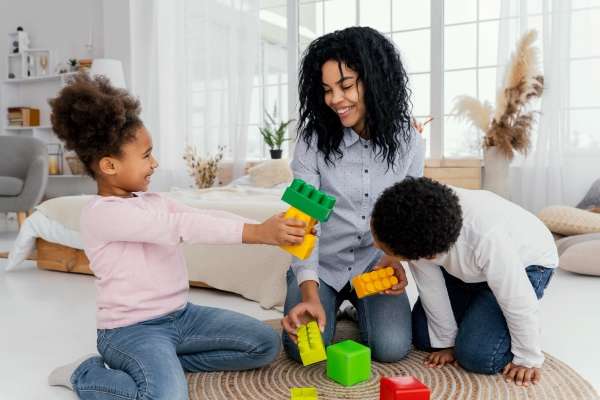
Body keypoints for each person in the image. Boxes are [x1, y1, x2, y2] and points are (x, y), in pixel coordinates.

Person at [46, 74, 307, 399]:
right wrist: (255, 233)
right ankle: (83, 374)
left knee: (264, 345)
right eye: (146, 156)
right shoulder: (102, 214)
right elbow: (179, 227)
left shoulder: (152, 201)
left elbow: (200, 216)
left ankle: (166, 365)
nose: (154, 163)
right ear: (110, 165)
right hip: (129, 332)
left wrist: (266, 226)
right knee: (167, 397)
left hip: (182, 316)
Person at [281, 26, 424, 363]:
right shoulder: (311, 139)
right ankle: (328, 300)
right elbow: (301, 219)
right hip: (322, 266)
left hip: (372, 264)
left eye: (345, 86)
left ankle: (358, 309)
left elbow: (410, 211)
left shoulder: (408, 140)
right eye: (328, 89)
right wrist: (309, 291)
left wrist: (394, 258)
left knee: (392, 349)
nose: (335, 100)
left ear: (375, 80)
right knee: (303, 350)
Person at [370, 177, 558, 386]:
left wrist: (527, 357)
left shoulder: (486, 237)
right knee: (425, 337)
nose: (372, 244)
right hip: (470, 270)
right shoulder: (416, 221)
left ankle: (480, 308)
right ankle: (475, 307)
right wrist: (446, 343)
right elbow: (431, 286)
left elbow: (517, 299)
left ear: (427, 255)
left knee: (476, 356)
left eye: (384, 249)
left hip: (526, 265)